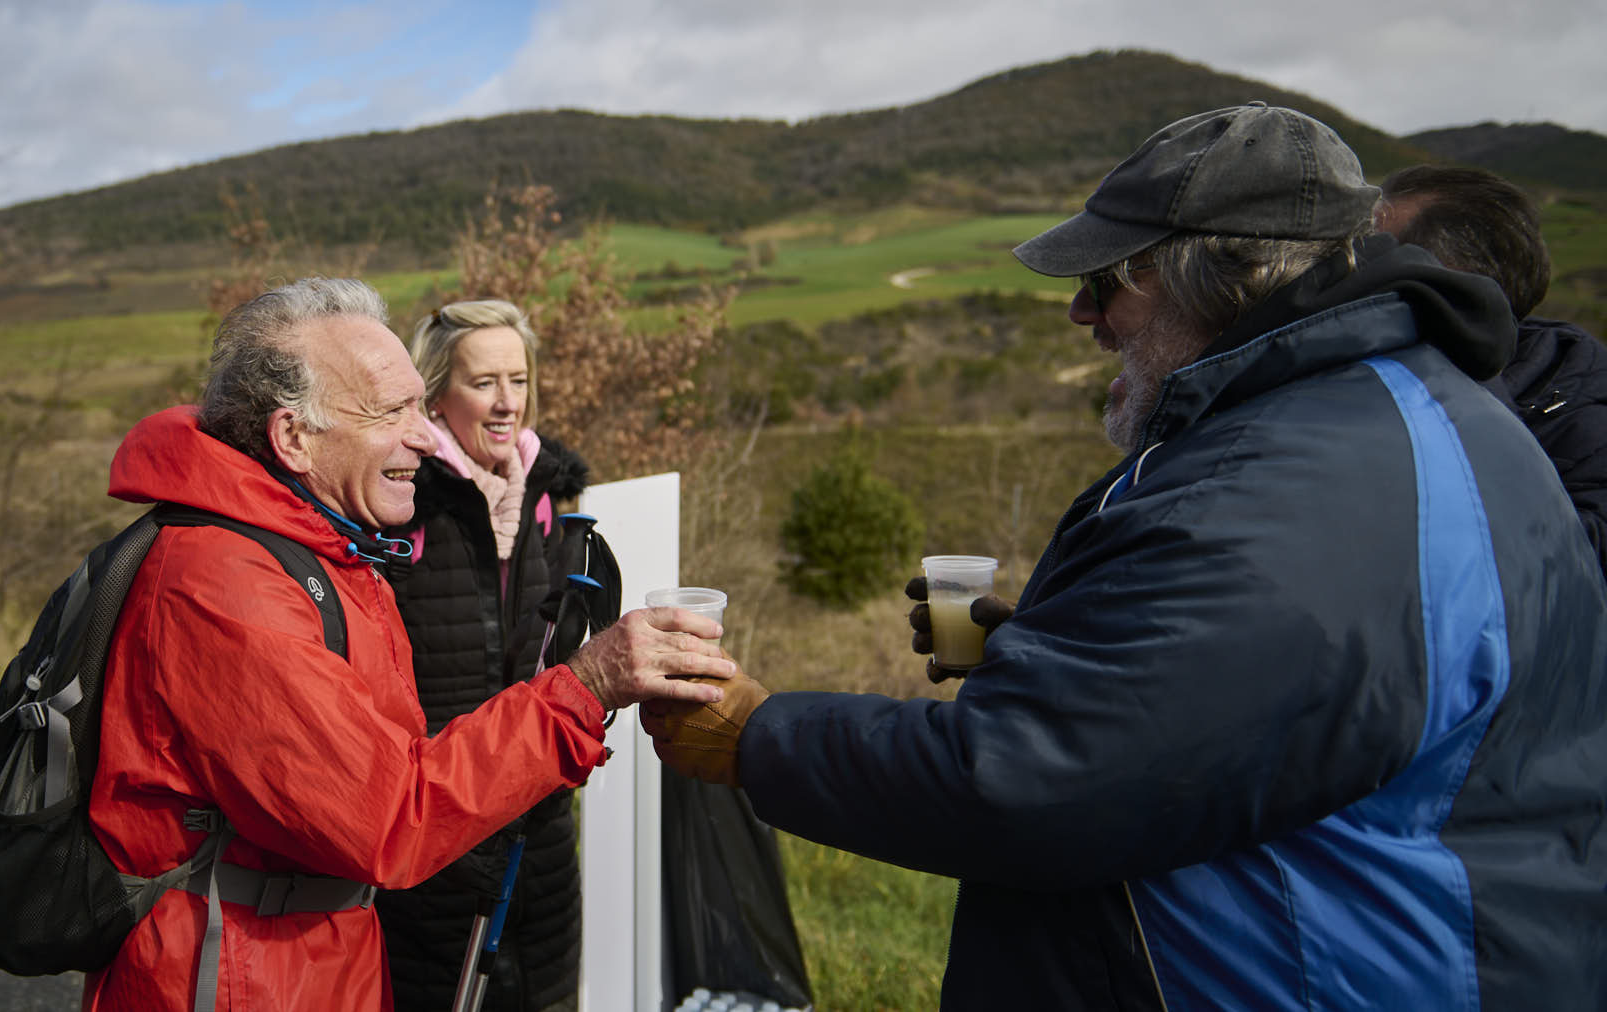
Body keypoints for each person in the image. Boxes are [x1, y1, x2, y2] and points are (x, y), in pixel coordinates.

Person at [644, 104, 1607, 1009]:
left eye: (1109, 280)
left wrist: (761, 739)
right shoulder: (1399, 414)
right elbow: (1258, 704)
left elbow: (1036, 780)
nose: (1083, 314)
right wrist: (1059, 649)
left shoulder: (1279, 487)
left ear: (1223, 277)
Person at [83, 277, 735, 1011]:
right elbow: (388, 816)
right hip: (238, 975)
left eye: (417, 407)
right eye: (391, 410)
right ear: (293, 437)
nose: (424, 437)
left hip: (314, 953)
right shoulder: (229, 585)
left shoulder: (322, 545)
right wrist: (586, 687)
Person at [374, 300, 589, 1012]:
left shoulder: (554, 499)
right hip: (436, 817)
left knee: (545, 992)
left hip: (539, 817)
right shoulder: (402, 499)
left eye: (519, 381)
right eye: (484, 382)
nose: (507, 404)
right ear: (436, 392)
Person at [1376, 164, 1607, 575]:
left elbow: (1572, 574)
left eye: (1376, 255)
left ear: (1456, 284)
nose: (1350, 277)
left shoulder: (1587, 410)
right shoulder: (1370, 377)